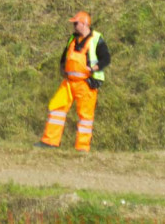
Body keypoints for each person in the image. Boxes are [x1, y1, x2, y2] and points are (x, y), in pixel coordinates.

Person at [35, 11, 111, 152]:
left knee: (85, 118)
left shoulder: (96, 38)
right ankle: (49, 142)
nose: (74, 26)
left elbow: (106, 58)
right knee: (56, 107)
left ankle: (82, 148)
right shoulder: (73, 38)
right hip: (69, 82)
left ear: (84, 24)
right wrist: (62, 68)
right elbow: (65, 55)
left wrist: (95, 68)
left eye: (76, 23)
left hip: (87, 83)